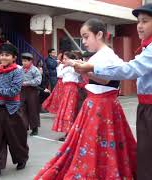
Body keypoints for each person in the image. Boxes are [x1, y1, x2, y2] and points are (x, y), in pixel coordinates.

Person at [72, 4, 152, 180]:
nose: (139, 25)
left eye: (145, 21)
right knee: (147, 156)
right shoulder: (150, 46)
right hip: (148, 108)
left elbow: (130, 70)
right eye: (138, 21)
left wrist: (92, 67)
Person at [35, 18, 136, 179]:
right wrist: (81, 67)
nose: (84, 41)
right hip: (98, 104)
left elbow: (106, 80)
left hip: (101, 106)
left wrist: (83, 69)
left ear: (99, 34)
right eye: (82, 37)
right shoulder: (101, 55)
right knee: (96, 144)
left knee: (94, 143)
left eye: (86, 36)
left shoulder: (106, 55)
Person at [0, 43, 29, 178]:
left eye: (7, 55)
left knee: (16, 138)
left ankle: (21, 158)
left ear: (14, 57)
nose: (4, 57)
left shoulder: (18, 71)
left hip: (13, 109)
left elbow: (14, 91)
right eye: (2, 55)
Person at [52, 51, 81, 141]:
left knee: (70, 110)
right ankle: (68, 133)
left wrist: (72, 64)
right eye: (63, 59)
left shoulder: (74, 67)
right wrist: (61, 66)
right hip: (66, 89)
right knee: (67, 110)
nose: (64, 60)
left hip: (72, 89)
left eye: (66, 59)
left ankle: (70, 133)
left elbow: (77, 73)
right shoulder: (65, 67)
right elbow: (59, 75)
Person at [21, 52, 42, 136]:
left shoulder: (35, 70)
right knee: (22, 110)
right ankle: (24, 127)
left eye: (26, 61)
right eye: (23, 61)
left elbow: (38, 81)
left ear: (31, 61)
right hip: (22, 91)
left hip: (32, 91)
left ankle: (34, 128)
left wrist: (27, 83)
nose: (24, 63)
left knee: (33, 110)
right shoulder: (20, 69)